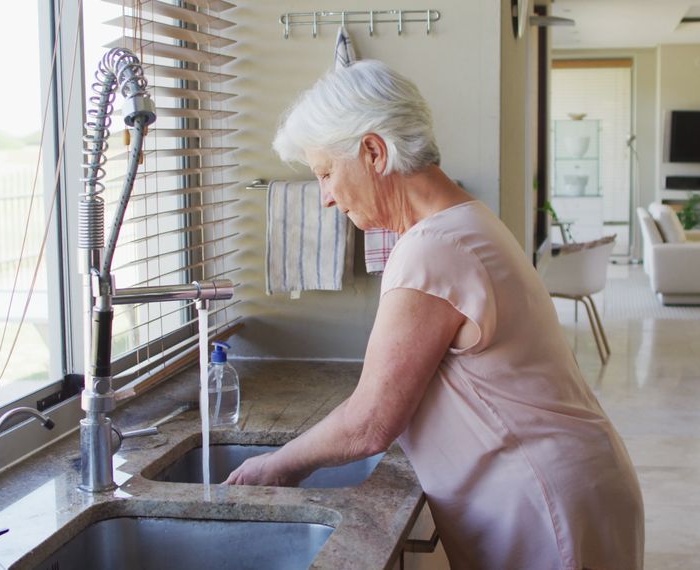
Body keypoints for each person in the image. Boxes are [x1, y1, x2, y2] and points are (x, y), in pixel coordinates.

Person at [226, 60, 644, 570]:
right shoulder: (464, 220)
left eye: (326, 173)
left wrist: (275, 466)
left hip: (542, 502)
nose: (327, 198)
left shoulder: (431, 249)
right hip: (569, 485)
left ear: (373, 152)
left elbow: (370, 422)